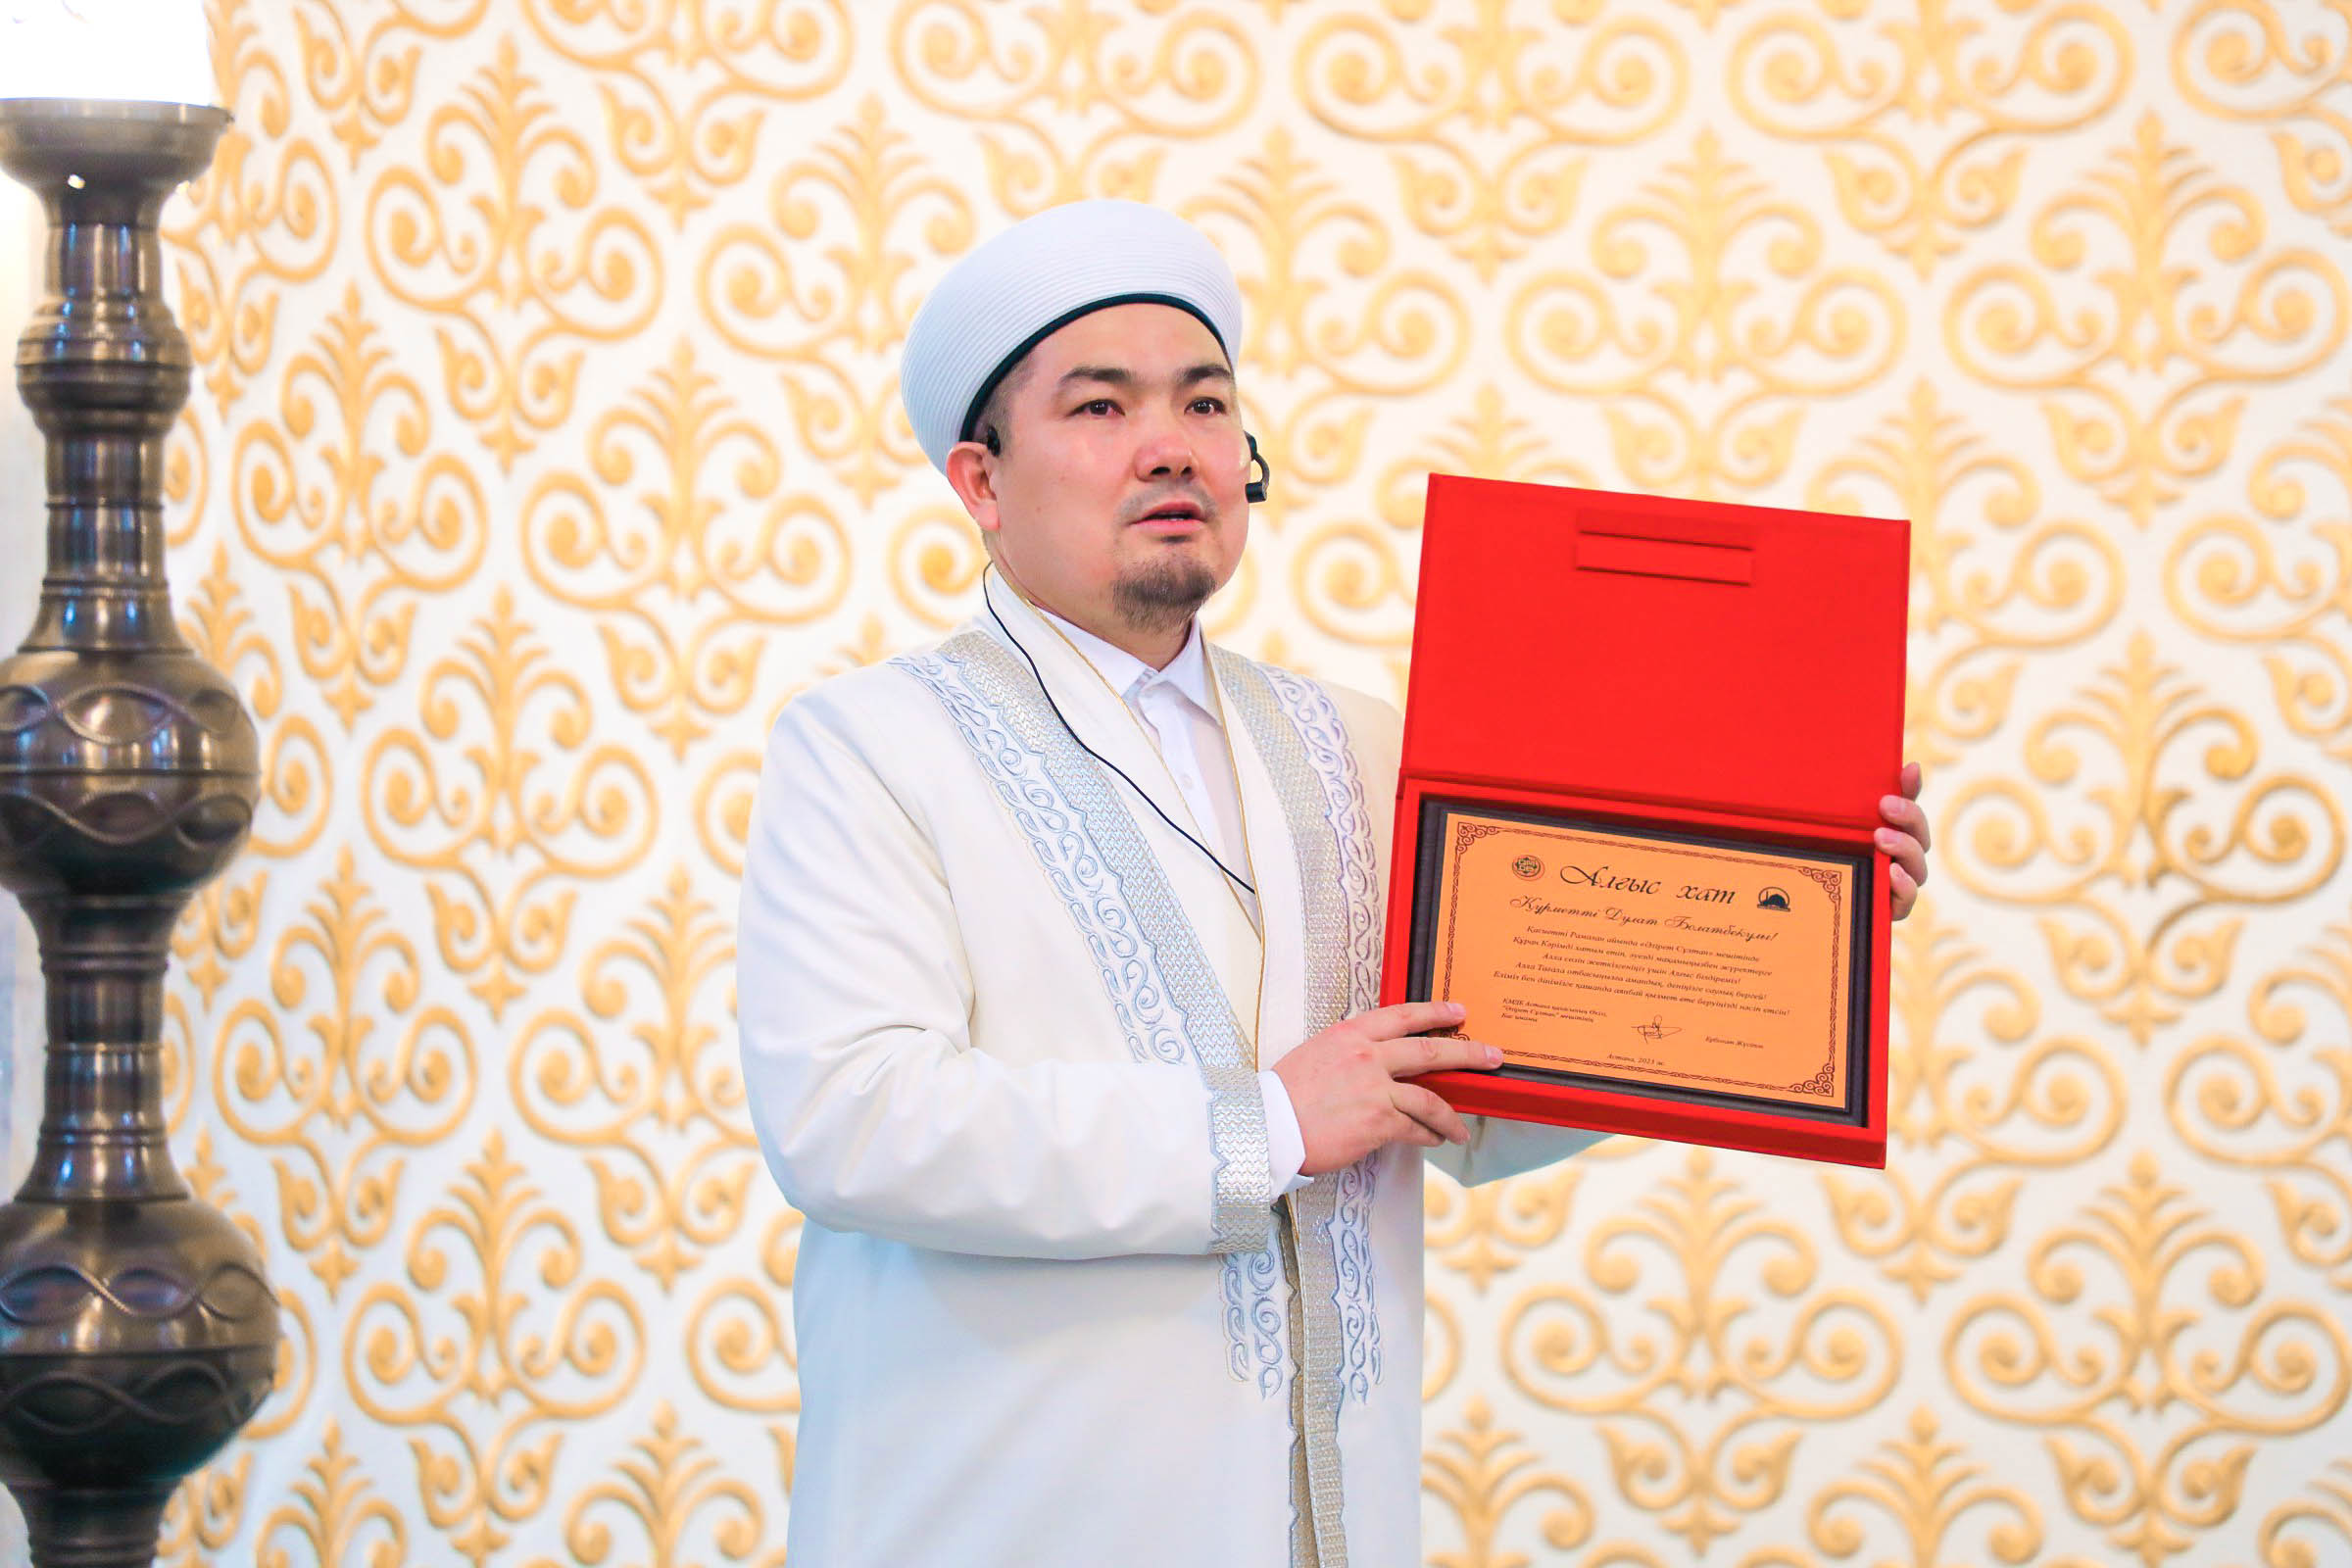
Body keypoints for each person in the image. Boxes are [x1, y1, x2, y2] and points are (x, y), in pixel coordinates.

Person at [733, 200, 1936, 1568]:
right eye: (1101, 407)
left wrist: (1799, 923)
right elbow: (853, 1121)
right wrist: (1269, 1124)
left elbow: (1467, 1099)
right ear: (981, 482)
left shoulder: (1359, 746)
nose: (1171, 446)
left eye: (1204, 402)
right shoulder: (873, 748)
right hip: (1000, 1525)